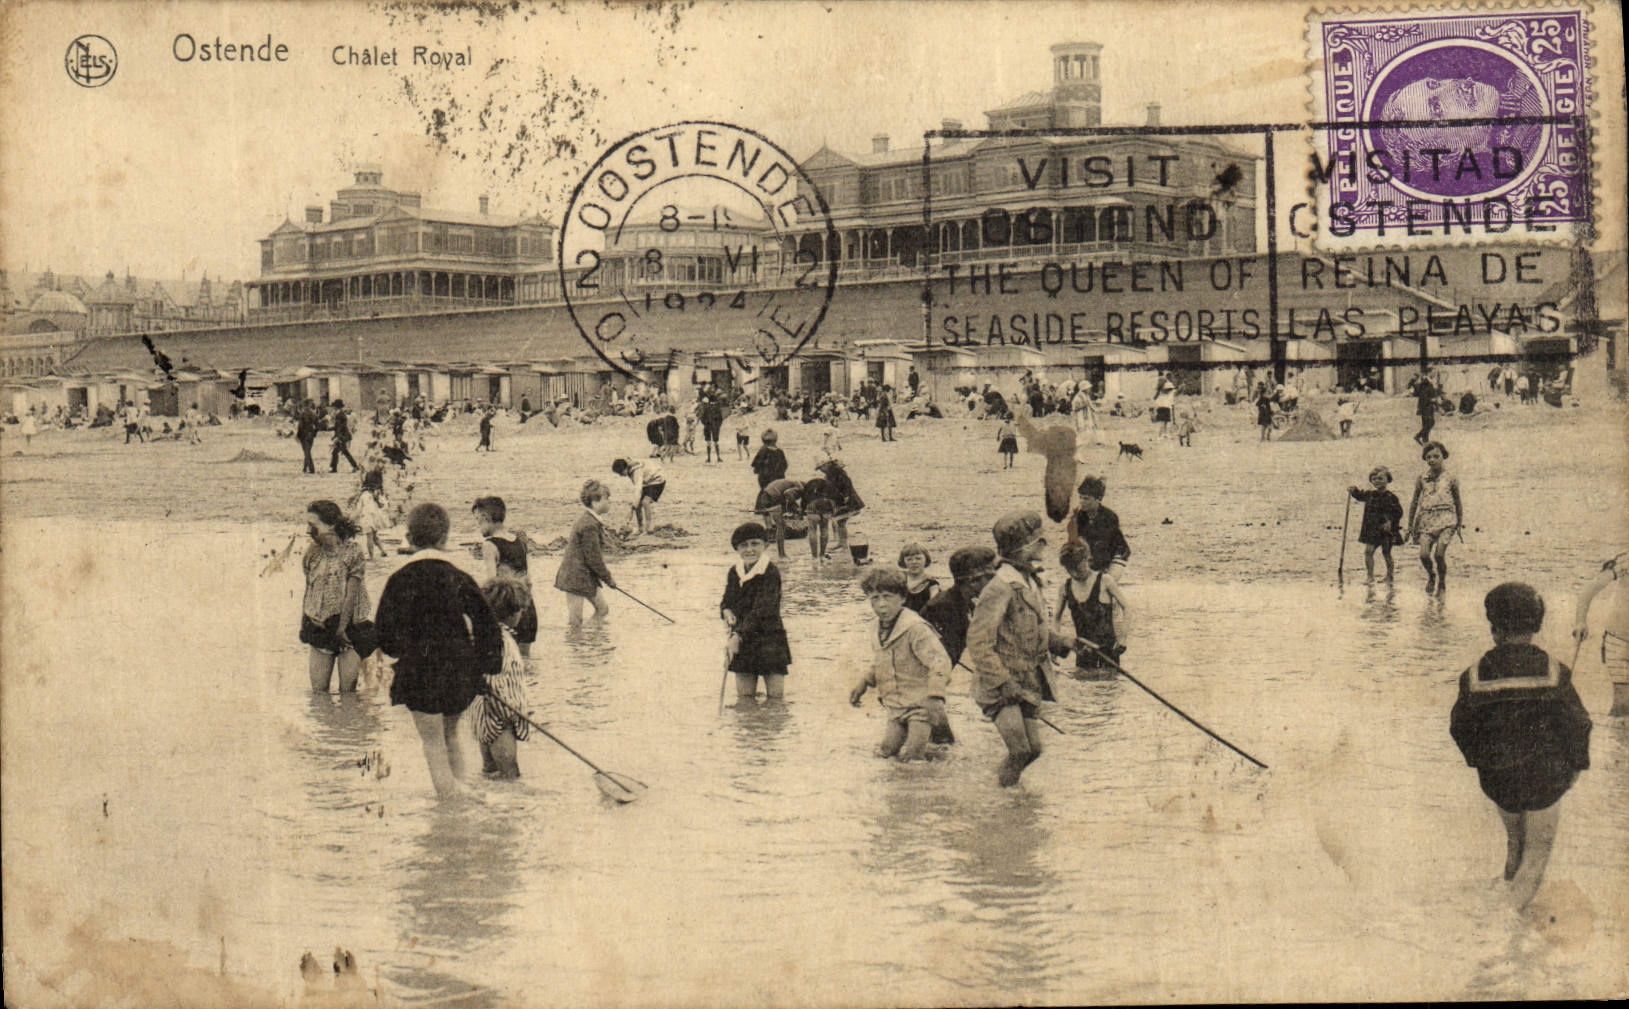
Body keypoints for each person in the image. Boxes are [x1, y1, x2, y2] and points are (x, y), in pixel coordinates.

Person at [1450, 583, 1592, 909]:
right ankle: (1504, 923)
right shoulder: (1554, 670)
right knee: (1536, 858)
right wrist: (1575, 768)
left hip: (1498, 778)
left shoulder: (1473, 675)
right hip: (1546, 777)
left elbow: (1460, 727)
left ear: (1493, 627)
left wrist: (1482, 761)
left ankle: (1503, 903)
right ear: (1537, 624)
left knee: (1517, 845)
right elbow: (1579, 724)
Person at [376, 503, 503, 799]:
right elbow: (488, 626)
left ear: (409, 537)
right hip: (459, 671)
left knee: (432, 741)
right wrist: (487, 668)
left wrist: (402, 651)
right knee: (450, 734)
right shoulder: (459, 577)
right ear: (445, 537)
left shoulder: (399, 579)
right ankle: (462, 794)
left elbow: (384, 635)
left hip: (419, 673)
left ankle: (450, 802)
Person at [967, 511, 1073, 787]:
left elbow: (1030, 628)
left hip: (1028, 679)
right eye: (1039, 539)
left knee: (1034, 749)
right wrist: (1002, 682)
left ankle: (999, 792)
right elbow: (978, 642)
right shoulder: (1000, 587)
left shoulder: (1029, 581)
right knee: (1020, 750)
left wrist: (1062, 642)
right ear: (1023, 547)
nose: (1044, 544)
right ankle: (1000, 797)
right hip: (1001, 684)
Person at [849, 567, 952, 761]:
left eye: (887, 597)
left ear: (903, 598)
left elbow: (940, 662)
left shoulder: (916, 628)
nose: (881, 605)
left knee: (913, 756)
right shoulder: (875, 628)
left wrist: (935, 696)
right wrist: (863, 683)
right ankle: (940, 750)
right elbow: (880, 661)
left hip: (921, 705)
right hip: (896, 704)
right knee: (886, 752)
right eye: (875, 598)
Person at [300, 500, 372, 693]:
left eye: (313, 525)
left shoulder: (353, 552)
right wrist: (304, 624)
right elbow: (309, 590)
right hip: (320, 627)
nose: (308, 531)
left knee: (348, 692)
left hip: (350, 629)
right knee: (318, 693)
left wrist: (341, 630)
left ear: (331, 525)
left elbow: (351, 595)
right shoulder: (312, 553)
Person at [721, 522, 791, 701]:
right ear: (737, 549)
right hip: (743, 640)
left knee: (775, 700)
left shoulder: (770, 572)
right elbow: (727, 600)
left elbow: (763, 609)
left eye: (755, 544)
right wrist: (726, 611)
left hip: (770, 639)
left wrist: (737, 636)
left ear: (765, 545)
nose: (749, 549)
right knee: (744, 699)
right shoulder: (734, 571)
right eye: (743, 545)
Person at [473, 575, 532, 779]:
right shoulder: (502, 641)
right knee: (510, 776)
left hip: (484, 715)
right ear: (512, 613)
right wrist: (511, 713)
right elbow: (495, 680)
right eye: (521, 610)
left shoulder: (485, 635)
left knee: (490, 772)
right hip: (501, 718)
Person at [472, 496, 538, 657]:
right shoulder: (519, 541)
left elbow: (492, 584)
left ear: (485, 518)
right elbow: (528, 578)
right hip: (527, 607)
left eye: (477, 521)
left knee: (505, 658)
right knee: (525, 659)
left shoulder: (489, 545)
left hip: (507, 609)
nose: (478, 527)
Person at [1056, 541, 1131, 680]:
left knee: (1108, 687)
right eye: (1069, 570)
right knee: (1084, 687)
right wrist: (1057, 647)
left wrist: (1123, 638)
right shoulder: (1065, 588)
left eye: (1078, 568)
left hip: (1108, 653)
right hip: (1083, 653)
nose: (1074, 574)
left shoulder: (1105, 581)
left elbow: (1127, 608)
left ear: (1087, 560)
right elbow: (1056, 619)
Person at [1572, 549, 1629, 717]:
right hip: (1619, 642)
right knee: (1622, 705)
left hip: (1618, 639)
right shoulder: (1625, 562)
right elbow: (1588, 591)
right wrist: (1580, 622)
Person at [921, 547, 999, 667]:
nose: (997, 582)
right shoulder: (943, 608)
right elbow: (946, 660)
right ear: (972, 581)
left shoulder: (964, 601)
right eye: (992, 577)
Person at [554, 479, 617, 625]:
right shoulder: (589, 525)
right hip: (575, 576)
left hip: (585, 575)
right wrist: (608, 579)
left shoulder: (591, 520)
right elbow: (594, 558)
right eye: (606, 499)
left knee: (602, 609)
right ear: (595, 502)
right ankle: (579, 637)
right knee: (575, 620)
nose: (610, 502)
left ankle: (588, 636)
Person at [1407, 441, 1462, 595]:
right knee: (1424, 555)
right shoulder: (1422, 478)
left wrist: (1459, 523)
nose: (1432, 460)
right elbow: (1414, 501)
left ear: (1443, 456)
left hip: (1447, 519)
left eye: (1436, 456)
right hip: (1426, 519)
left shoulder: (1451, 477)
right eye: (1428, 457)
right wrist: (1410, 525)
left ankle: (1442, 582)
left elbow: (1458, 501)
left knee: (1439, 554)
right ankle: (1431, 575)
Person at [1349, 466, 1404, 582]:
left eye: (1380, 478)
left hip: (1386, 530)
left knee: (1386, 553)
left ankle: (1389, 575)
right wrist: (1353, 491)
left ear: (1388, 480)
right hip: (1371, 529)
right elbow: (1359, 496)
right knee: (1368, 552)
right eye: (1374, 479)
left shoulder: (1391, 497)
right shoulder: (1369, 494)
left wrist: (1390, 522)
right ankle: (1370, 576)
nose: (1377, 481)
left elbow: (1398, 512)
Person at [1067, 476, 1130, 575]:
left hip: (1116, 555)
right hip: (1094, 556)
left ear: (1098, 499)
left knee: (1106, 581)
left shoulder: (1109, 517)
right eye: (1080, 497)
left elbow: (1105, 547)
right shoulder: (1080, 516)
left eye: (1086, 498)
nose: (1081, 501)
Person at [814, 458, 864, 554]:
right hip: (841, 501)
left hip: (847, 501)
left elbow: (847, 484)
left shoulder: (837, 473)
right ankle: (841, 543)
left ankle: (844, 545)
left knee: (841, 522)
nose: (821, 470)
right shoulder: (832, 474)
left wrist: (846, 496)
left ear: (827, 465)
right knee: (840, 522)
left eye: (821, 468)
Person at [612, 456, 666, 534]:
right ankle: (640, 527)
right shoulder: (629, 467)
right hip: (647, 480)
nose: (620, 475)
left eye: (621, 473)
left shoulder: (636, 472)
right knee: (638, 504)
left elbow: (638, 489)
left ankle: (648, 527)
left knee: (645, 502)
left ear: (625, 468)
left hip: (657, 479)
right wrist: (635, 504)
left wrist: (634, 504)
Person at [754, 477, 802, 559]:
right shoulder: (800, 486)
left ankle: (779, 553)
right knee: (781, 527)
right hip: (772, 498)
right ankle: (781, 554)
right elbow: (788, 495)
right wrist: (797, 509)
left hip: (766, 496)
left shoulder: (791, 482)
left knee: (780, 527)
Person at [801, 472, 836, 561]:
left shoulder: (809, 484)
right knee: (824, 529)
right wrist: (833, 511)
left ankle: (814, 556)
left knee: (812, 530)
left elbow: (804, 499)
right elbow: (834, 498)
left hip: (812, 506)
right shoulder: (828, 484)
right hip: (826, 505)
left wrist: (803, 511)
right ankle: (822, 555)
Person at [898, 542, 939, 612]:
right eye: (909, 559)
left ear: (926, 559)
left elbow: (934, 607)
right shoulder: (899, 579)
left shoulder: (932, 584)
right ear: (903, 561)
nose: (914, 562)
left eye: (918, 558)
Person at [329, 400, 359, 474]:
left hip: (342, 436)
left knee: (343, 452)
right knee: (337, 451)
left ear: (336, 407)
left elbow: (340, 427)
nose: (333, 408)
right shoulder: (340, 414)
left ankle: (355, 466)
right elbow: (339, 426)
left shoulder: (340, 414)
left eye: (334, 406)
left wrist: (338, 437)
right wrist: (332, 429)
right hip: (342, 435)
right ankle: (334, 467)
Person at [1412, 370, 1438, 446]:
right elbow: (1423, 395)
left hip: (1428, 406)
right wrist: (1431, 399)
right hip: (1426, 406)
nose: (1434, 374)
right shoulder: (1425, 382)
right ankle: (1418, 436)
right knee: (1430, 423)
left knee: (1426, 423)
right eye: (1433, 372)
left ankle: (1425, 440)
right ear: (1429, 373)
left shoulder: (1428, 382)